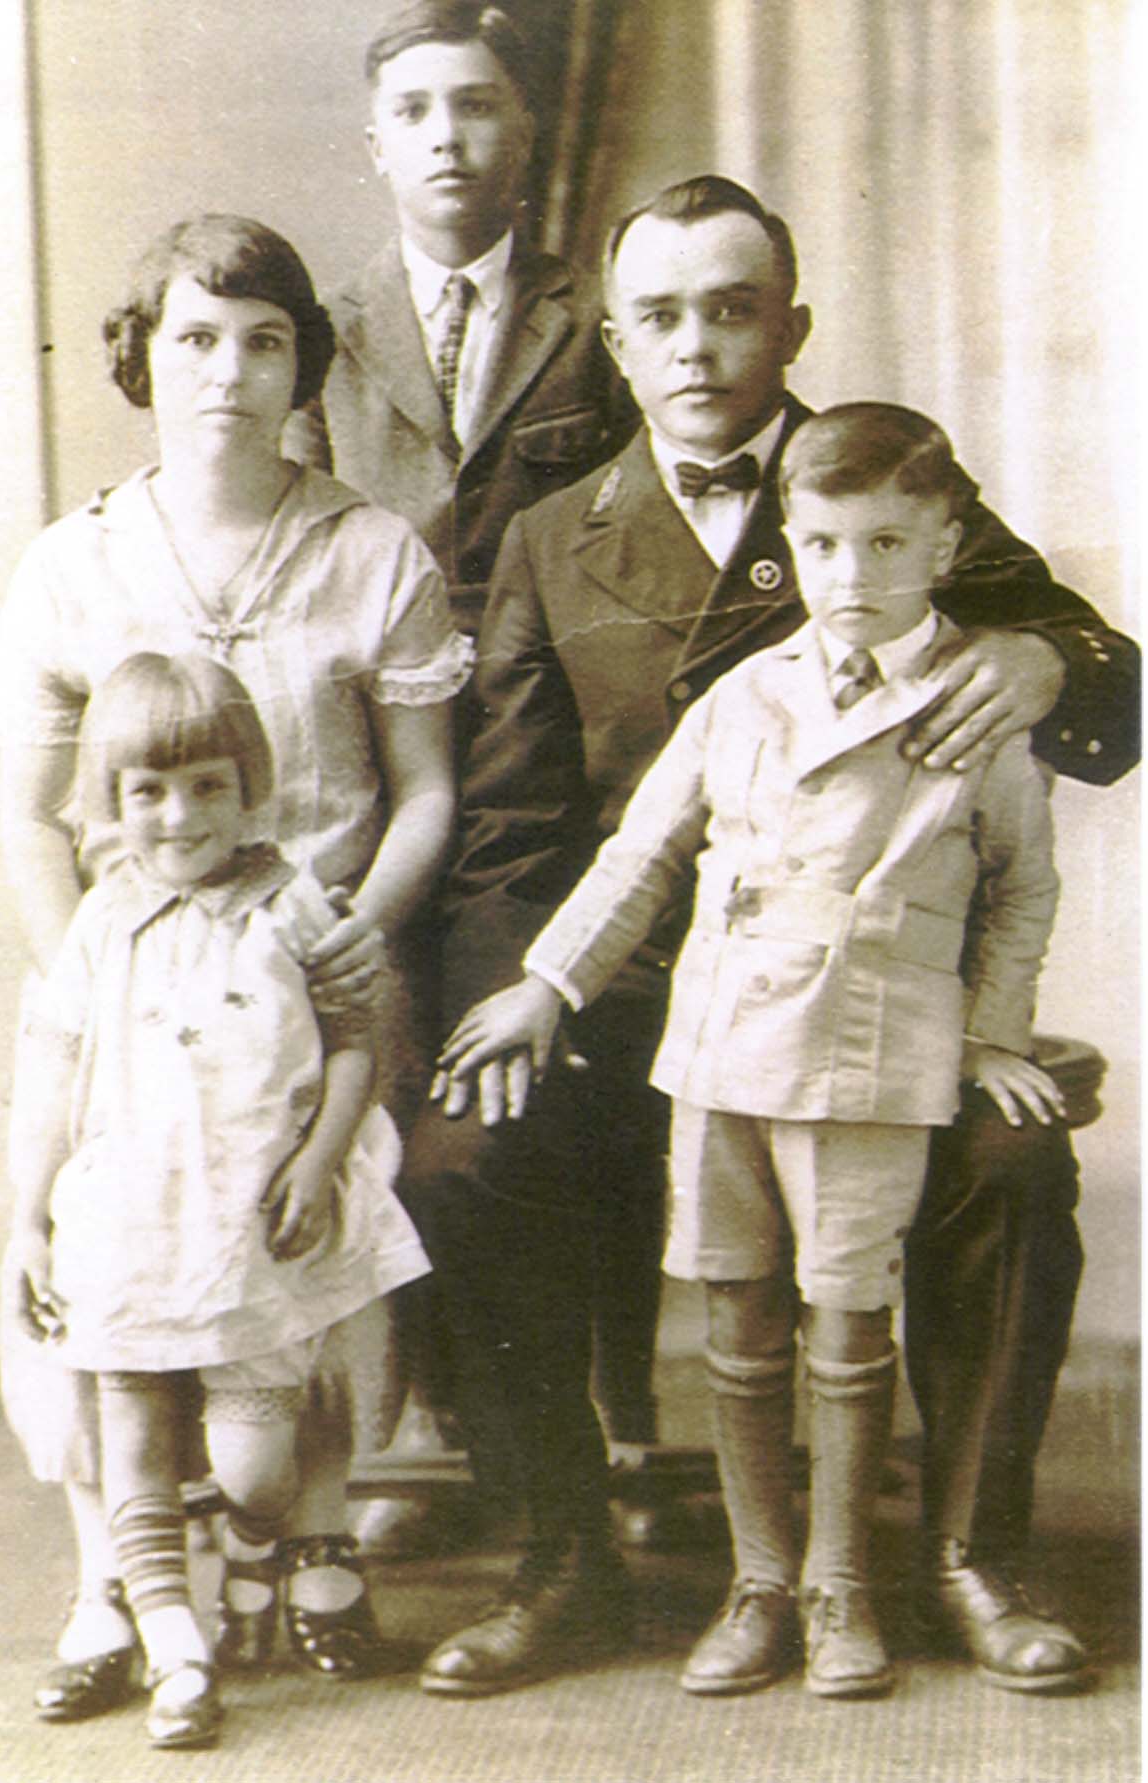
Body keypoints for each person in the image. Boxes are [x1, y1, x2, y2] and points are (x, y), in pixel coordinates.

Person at [401, 176, 1139, 1698]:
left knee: (1009, 1163)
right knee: (463, 1155)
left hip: (875, 1013)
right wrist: (523, 998)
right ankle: (565, 1561)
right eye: (660, 316)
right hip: (639, 1017)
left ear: (788, 324)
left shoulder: (878, 485)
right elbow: (514, 836)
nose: (696, 347)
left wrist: (1030, 653)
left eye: (732, 309)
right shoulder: (550, 534)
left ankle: (968, 1553)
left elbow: (1111, 693)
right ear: (616, 342)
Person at [0, 212, 470, 1715]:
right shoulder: (75, 562)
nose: (229, 372)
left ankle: (304, 1543)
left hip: (311, 976)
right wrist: (102, 974)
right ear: (143, 357)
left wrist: (340, 938)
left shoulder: (372, 549)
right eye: (196, 338)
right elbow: (27, 804)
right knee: (98, 1278)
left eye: (265, 341)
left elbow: (427, 785)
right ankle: (112, 1585)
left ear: (303, 363)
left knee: (305, 1266)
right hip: (120, 997)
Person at [285, 0, 643, 1556]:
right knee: (377, 1075)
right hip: (384, 760)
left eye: (480, 107)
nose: (449, 137)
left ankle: (617, 1404)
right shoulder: (326, 323)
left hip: (555, 764)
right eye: (417, 111)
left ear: (524, 136)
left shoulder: (600, 310)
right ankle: (415, 1414)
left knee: (550, 1091)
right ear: (377, 147)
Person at [6, 653, 432, 1749]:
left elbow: (355, 1047)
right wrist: (28, 1216)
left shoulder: (292, 904)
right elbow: (54, 1077)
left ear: (250, 787)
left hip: (253, 1229)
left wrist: (319, 1156)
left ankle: (259, 1544)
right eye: (146, 791)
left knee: (253, 1466)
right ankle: (180, 1656)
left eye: (206, 785)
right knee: (133, 1438)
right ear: (109, 804)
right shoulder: (101, 921)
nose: (178, 815)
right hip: (127, 1228)